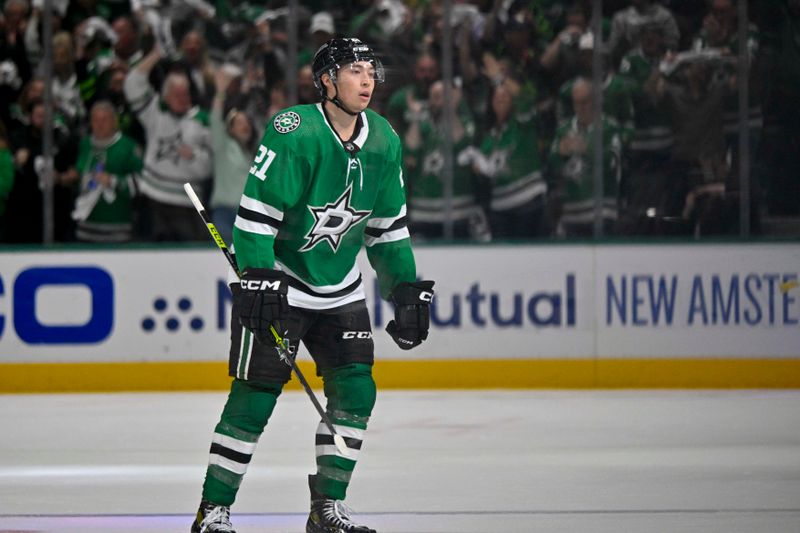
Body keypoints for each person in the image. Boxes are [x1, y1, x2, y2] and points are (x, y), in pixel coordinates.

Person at [191, 37, 435, 533]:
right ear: (326, 81)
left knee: (357, 392)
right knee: (255, 394)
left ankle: (327, 508)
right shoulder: (293, 131)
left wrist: (404, 289)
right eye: (354, 70)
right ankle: (212, 511)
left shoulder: (385, 140)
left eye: (371, 71)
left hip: (341, 289)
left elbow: (386, 229)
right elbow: (256, 217)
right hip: (280, 282)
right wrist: (258, 277)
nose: (367, 80)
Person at [123, 41, 212, 241]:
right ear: (166, 94)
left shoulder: (202, 120)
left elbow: (208, 168)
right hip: (152, 198)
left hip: (188, 204)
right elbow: (132, 83)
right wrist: (156, 54)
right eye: (176, 93)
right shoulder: (155, 112)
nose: (182, 98)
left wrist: (194, 157)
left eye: (185, 93)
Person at [69, 100, 142, 243]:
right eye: (95, 120)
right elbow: (80, 174)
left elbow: (142, 184)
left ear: (114, 121)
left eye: (104, 120)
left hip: (117, 229)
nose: (99, 125)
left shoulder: (128, 147)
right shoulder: (85, 144)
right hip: (86, 228)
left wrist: (113, 181)